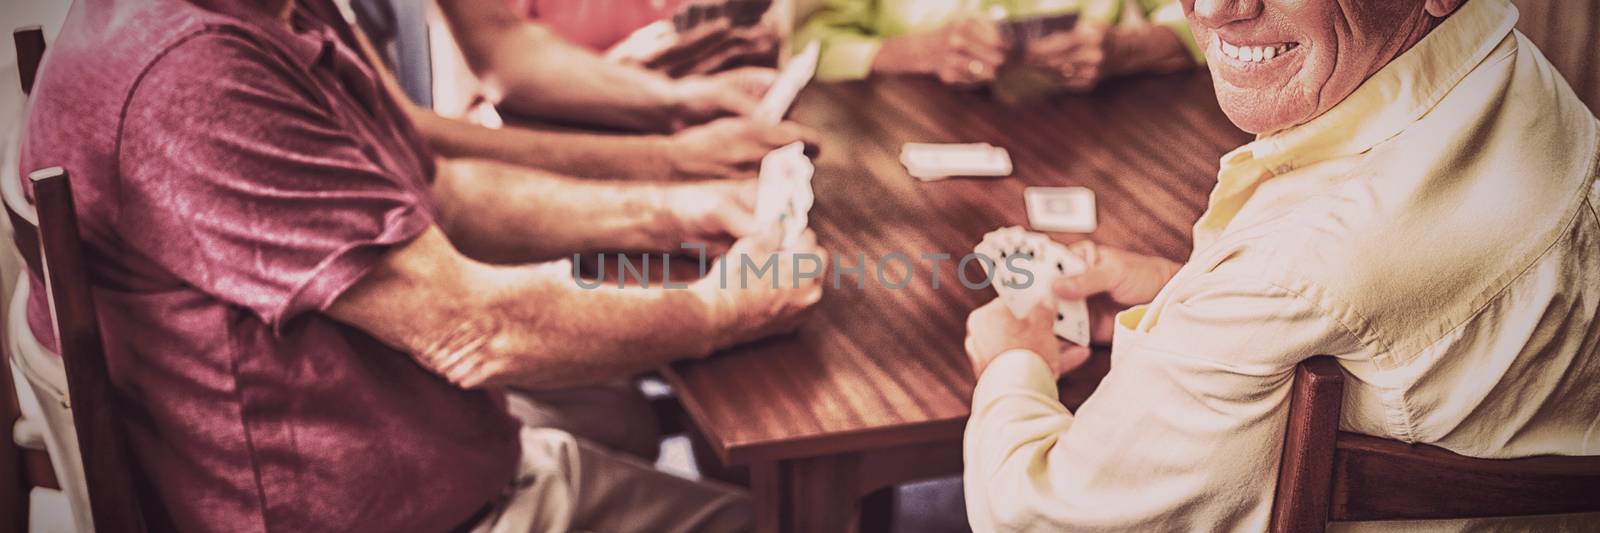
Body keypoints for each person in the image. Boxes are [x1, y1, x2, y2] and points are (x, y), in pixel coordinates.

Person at [17, 0, 826, 531]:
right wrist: (726, 308)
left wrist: (677, 208)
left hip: (447, 456)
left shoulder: (261, 15)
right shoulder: (193, 74)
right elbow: (474, 325)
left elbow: (440, 189)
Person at [962, 0, 1600, 529]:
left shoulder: (1293, 267)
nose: (1212, 9)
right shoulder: (1508, 62)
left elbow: (1039, 520)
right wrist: (1183, 293)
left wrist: (1011, 362)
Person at [365, 0, 813, 181]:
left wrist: (682, 96)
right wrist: (667, 154)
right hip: (532, 169)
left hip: (690, 148)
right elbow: (450, 129)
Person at [796, 0, 1202, 91]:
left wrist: (1128, 49)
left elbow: (1207, 16)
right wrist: (916, 53)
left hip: (1099, 143)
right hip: (913, 144)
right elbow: (808, 44)